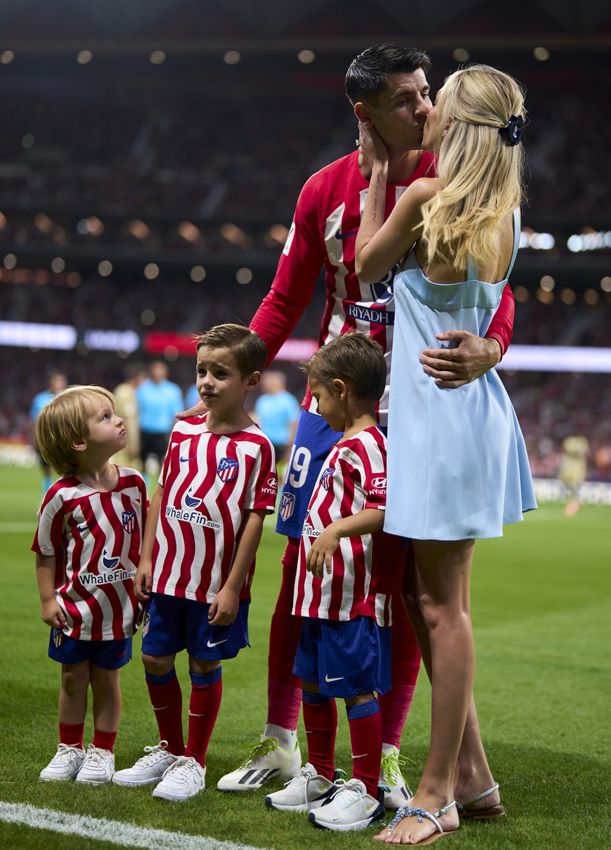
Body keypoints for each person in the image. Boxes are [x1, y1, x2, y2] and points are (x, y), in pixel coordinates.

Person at [218, 44, 516, 807]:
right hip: (332, 408)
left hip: (408, 409)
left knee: (396, 588)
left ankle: (380, 756)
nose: (423, 109)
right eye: (408, 99)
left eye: (429, 94)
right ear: (365, 111)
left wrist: (491, 346)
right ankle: (282, 742)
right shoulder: (323, 188)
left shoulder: (448, 183)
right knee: (300, 572)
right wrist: (241, 380)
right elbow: (285, 300)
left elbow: (494, 298)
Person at [354, 64, 536, 844]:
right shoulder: (507, 210)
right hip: (468, 415)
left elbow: (362, 263)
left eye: (438, 101)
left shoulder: (426, 200)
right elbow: (499, 304)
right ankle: (474, 776)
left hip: (435, 419)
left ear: (457, 126)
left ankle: (434, 798)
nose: (425, 109)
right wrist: (492, 349)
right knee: (430, 605)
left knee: (440, 608)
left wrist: (373, 176)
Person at [112, 324, 277, 802]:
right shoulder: (183, 429)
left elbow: (253, 520)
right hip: (166, 573)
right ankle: (170, 747)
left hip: (213, 584)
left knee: (204, 663)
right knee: (154, 656)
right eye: (201, 370)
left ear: (251, 380)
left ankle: (195, 762)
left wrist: (232, 586)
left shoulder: (257, 447)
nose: (206, 381)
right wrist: (144, 557)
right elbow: (162, 493)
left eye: (220, 373)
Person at [266, 334, 404, 831]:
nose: (316, 406)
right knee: (313, 683)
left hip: (347, 600)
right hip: (316, 596)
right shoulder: (346, 442)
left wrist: (337, 528)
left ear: (342, 391)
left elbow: (384, 507)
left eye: (319, 396)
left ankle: (365, 790)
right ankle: (322, 774)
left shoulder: (368, 444)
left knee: (356, 690)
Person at [32, 385, 147, 785]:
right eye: (105, 417)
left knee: (107, 679)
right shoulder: (60, 497)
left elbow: (150, 540)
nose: (118, 420)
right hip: (74, 610)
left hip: (118, 612)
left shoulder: (135, 484)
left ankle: (102, 751)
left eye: (114, 413)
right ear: (79, 442)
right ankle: (69, 747)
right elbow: (45, 552)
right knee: (72, 678)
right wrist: (48, 601)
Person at [136, 361, 183, 479]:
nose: (158, 373)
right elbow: (137, 410)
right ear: (151, 372)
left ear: (165, 373)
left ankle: (162, 488)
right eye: (156, 370)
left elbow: (177, 413)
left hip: (163, 432)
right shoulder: (143, 388)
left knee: (164, 463)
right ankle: (143, 486)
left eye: (160, 370)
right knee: (142, 463)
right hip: (145, 431)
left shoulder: (173, 390)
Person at [254, 370, 301, 471]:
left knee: (278, 473)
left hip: (281, 444)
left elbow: (294, 424)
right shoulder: (262, 400)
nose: (265, 385)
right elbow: (258, 420)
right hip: (265, 443)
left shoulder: (288, 400)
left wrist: (290, 448)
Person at [30, 370, 67, 492]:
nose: (60, 384)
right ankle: (47, 495)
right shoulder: (40, 398)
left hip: (63, 439)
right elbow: (34, 421)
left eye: (62, 381)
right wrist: (34, 440)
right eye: (57, 381)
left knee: (65, 469)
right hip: (44, 439)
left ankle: (65, 496)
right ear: (51, 383)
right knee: (46, 470)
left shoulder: (67, 398)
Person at [113, 362, 148, 470]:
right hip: (124, 441)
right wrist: (133, 444)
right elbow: (129, 419)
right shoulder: (127, 393)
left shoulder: (121, 390)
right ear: (137, 378)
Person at [558, 434, 589, 516]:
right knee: (569, 489)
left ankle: (574, 505)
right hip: (569, 469)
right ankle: (573, 504)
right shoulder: (572, 442)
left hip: (576, 470)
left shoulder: (581, 442)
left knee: (575, 489)